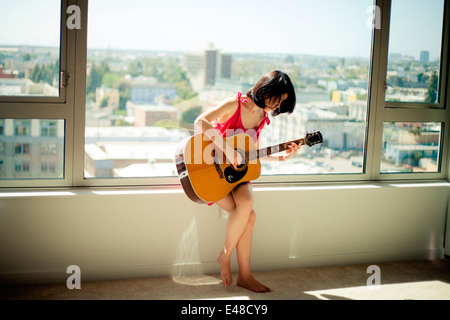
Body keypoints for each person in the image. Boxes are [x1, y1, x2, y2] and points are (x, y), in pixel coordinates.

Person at [194, 70, 299, 293]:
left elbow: (251, 154)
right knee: (248, 217)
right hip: (212, 172)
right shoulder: (235, 104)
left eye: (281, 103)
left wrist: (283, 156)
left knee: (247, 202)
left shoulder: (262, 118)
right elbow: (200, 121)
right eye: (277, 100)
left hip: (238, 175)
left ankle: (228, 257)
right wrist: (227, 149)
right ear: (266, 90)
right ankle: (241, 272)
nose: (277, 106)